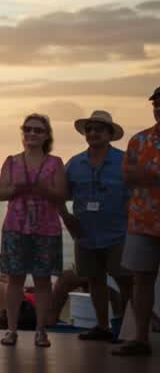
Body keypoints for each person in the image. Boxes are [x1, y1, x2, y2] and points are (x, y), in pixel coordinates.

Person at [0, 113, 66, 348]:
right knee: (14, 279)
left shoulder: (55, 163)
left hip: (46, 227)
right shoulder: (12, 161)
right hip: (16, 225)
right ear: (22, 133)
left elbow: (61, 195)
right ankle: (11, 329)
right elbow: (1, 193)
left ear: (46, 135)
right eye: (28, 129)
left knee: (43, 280)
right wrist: (17, 187)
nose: (32, 134)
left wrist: (45, 190)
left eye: (37, 130)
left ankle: (41, 330)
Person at [59, 110, 129, 342]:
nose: (93, 133)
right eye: (89, 129)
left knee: (126, 281)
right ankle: (102, 326)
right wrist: (67, 218)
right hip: (85, 234)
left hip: (119, 233)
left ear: (110, 134)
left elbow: (136, 195)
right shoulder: (75, 163)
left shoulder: (124, 160)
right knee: (94, 280)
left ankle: (133, 328)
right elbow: (60, 193)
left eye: (99, 129)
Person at [115, 88, 160, 357]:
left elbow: (138, 173)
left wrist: (147, 173)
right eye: (156, 103)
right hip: (142, 221)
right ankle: (140, 338)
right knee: (141, 279)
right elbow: (127, 174)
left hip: (143, 216)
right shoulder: (139, 140)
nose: (159, 108)